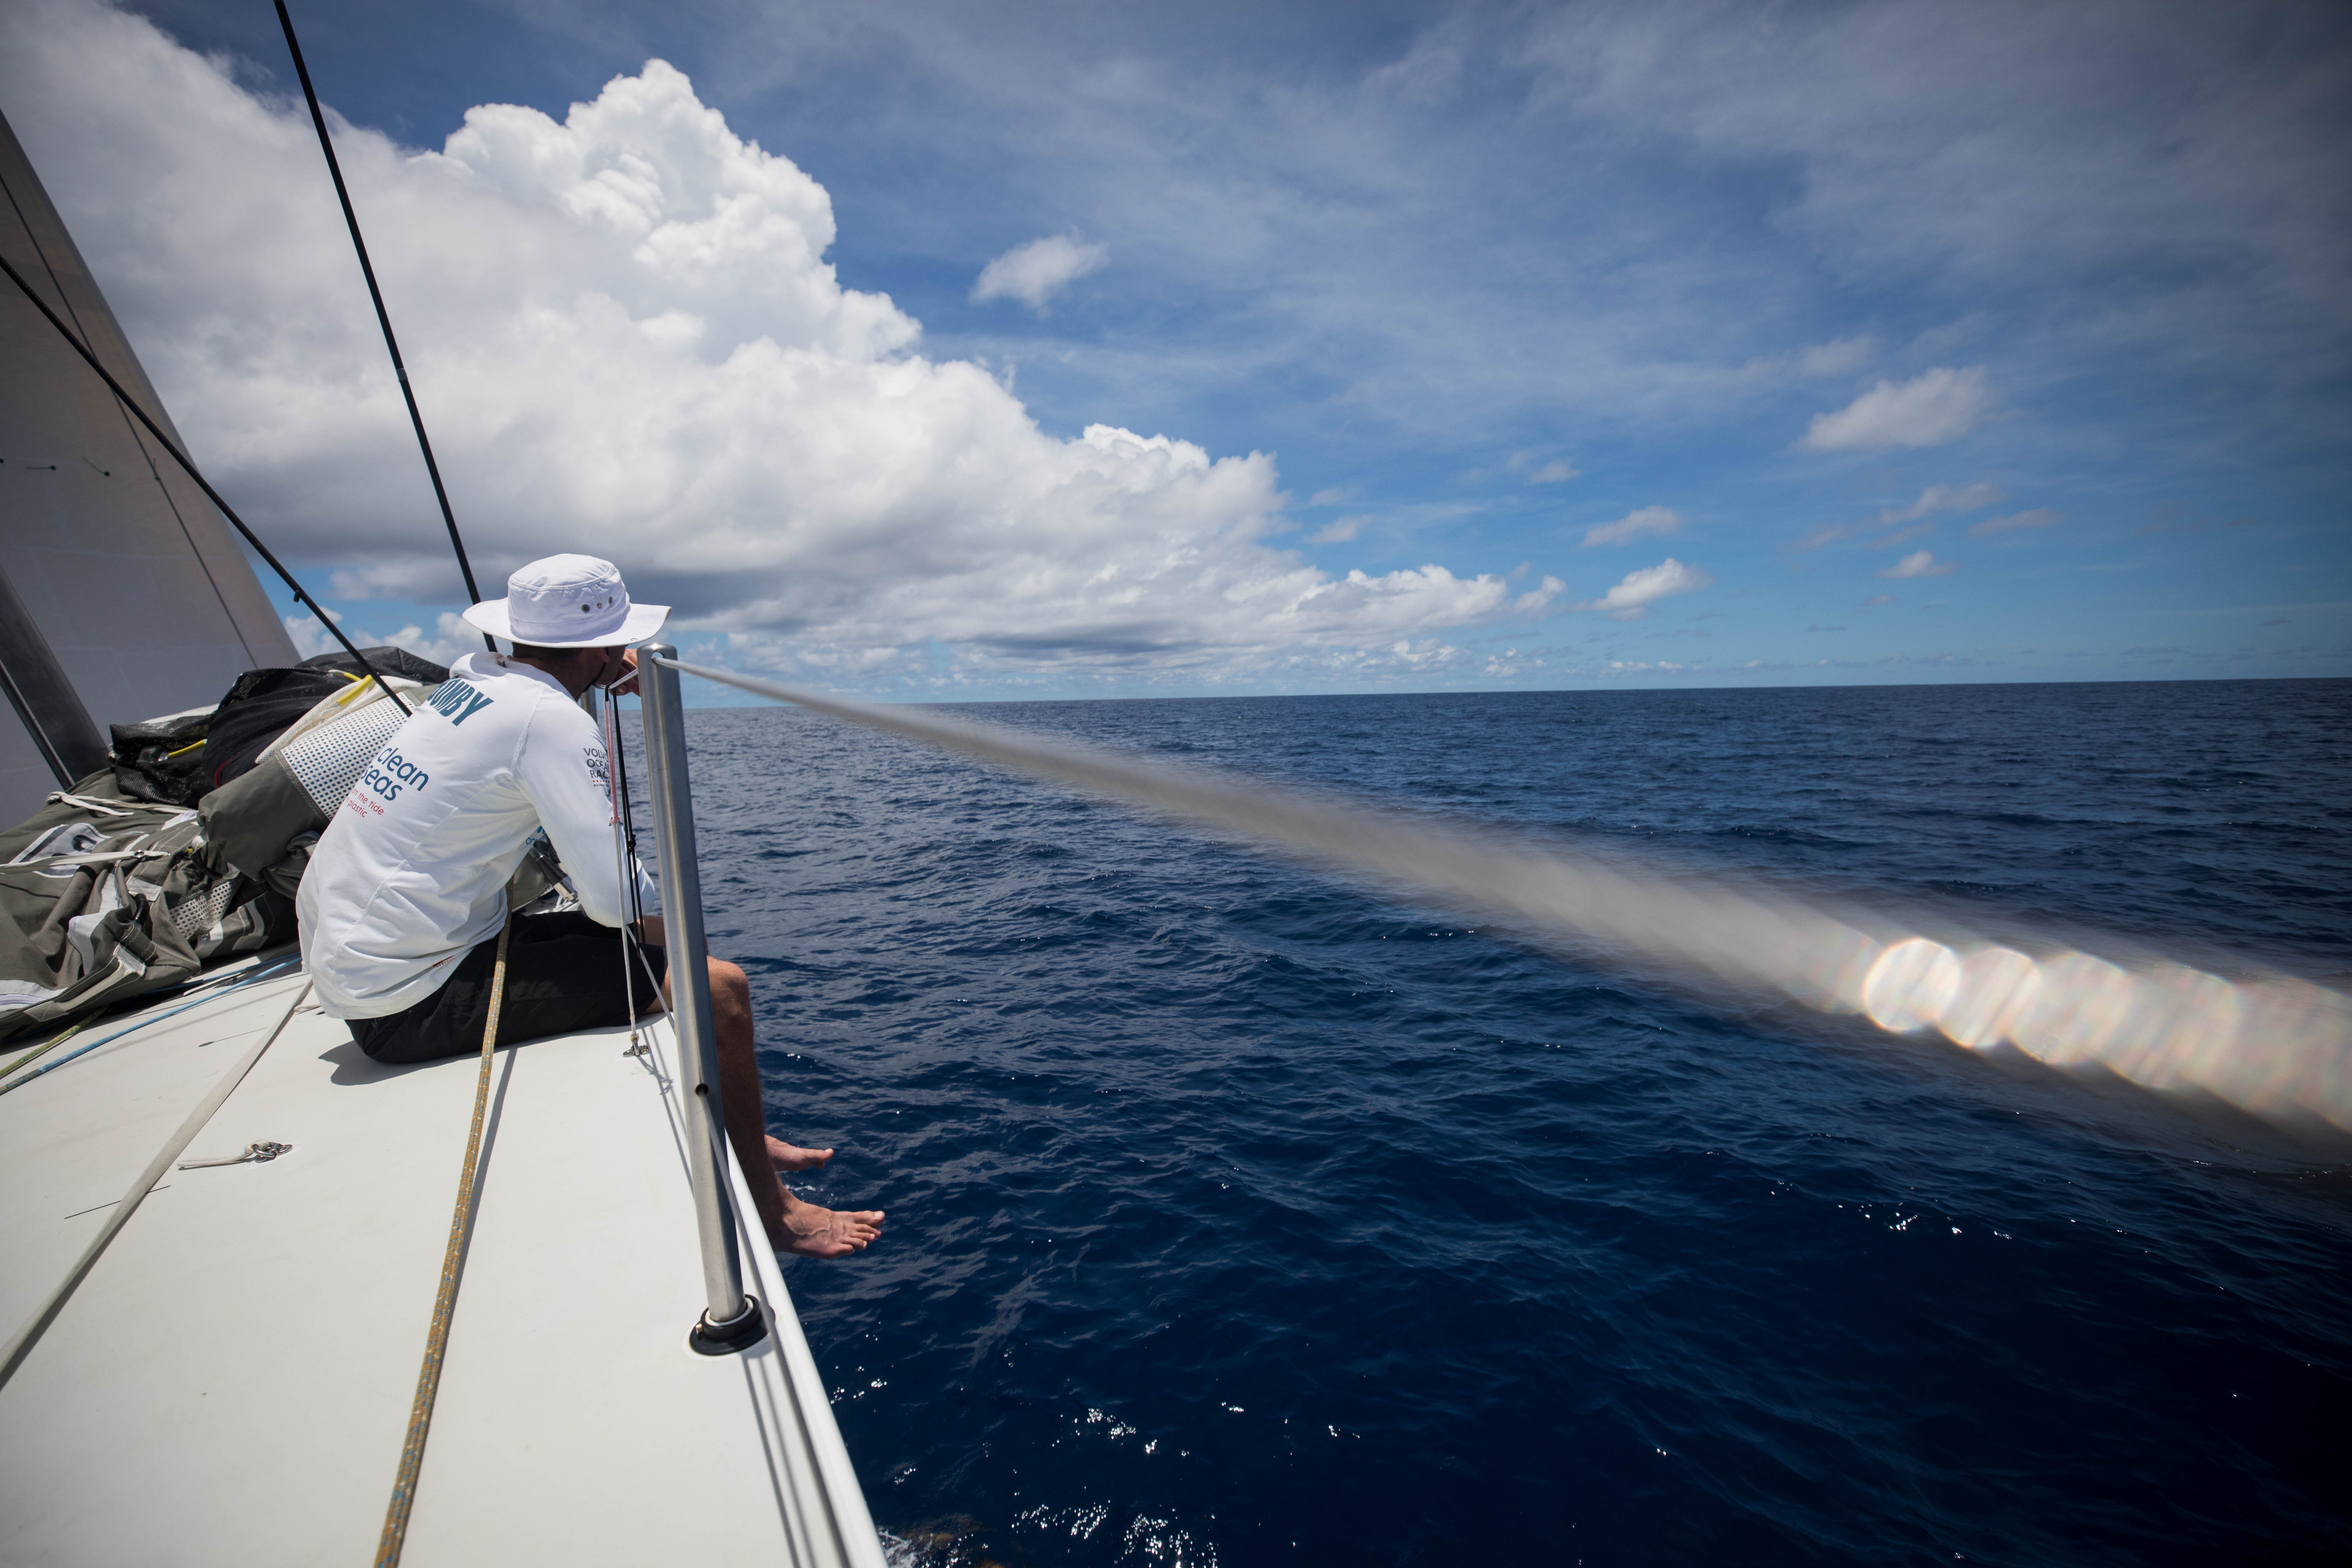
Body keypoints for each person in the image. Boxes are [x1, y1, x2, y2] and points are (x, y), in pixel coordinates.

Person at [296, 554, 882, 1259]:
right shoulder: (545, 718)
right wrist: (678, 962)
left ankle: (732, 1119)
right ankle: (776, 1211)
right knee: (718, 989)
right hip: (404, 1002)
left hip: (366, 962)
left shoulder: (475, 683)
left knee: (678, 966)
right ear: (601, 645)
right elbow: (614, 902)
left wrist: (597, 668)